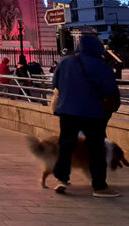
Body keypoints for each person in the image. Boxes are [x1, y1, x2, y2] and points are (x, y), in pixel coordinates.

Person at [51, 35, 120, 198]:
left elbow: (55, 83)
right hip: (91, 112)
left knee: (65, 145)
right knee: (96, 148)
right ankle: (99, 186)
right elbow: (109, 89)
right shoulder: (100, 65)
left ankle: (61, 179)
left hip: (67, 110)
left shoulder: (66, 61)